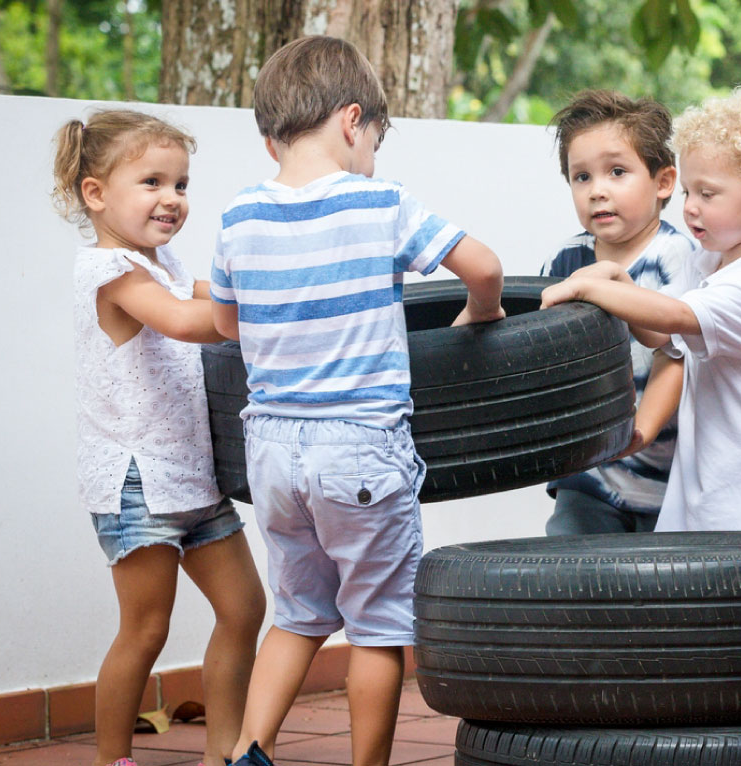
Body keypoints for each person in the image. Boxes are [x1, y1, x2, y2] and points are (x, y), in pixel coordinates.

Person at [210, 36, 505, 766]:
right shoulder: (381, 202)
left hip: (273, 451)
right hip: (361, 448)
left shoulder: (238, 216)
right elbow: (486, 267)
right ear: (352, 121)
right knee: (377, 626)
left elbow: (225, 325)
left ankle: (250, 749)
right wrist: (482, 313)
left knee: (299, 614)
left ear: (268, 132)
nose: (374, 152)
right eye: (375, 137)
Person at [53, 109, 266, 766]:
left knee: (244, 609)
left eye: (180, 184)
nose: (172, 199)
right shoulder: (110, 270)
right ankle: (113, 760)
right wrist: (249, 317)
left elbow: (213, 294)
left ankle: (223, 752)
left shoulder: (160, 262)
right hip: (136, 480)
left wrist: (276, 293)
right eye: (152, 182)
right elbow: (181, 318)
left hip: (192, 475)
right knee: (145, 630)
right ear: (96, 194)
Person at [540, 87, 741, 532]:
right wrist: (619, 280)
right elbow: (667, 339)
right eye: (689, 191)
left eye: (708, 194)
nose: (689, 207)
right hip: (711, 480)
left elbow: (674, 319)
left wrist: (595, 287)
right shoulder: (712, 264)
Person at [540, 90, 696, 535]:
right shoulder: (566, 262)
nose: (597, 191)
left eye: (617, 172)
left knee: (657, 593)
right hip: (589, 474)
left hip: (667, 477)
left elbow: (677, 356)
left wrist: (640, 433)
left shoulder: (677, 256)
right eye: (582, 177)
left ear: (664, 182)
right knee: (571, 576)